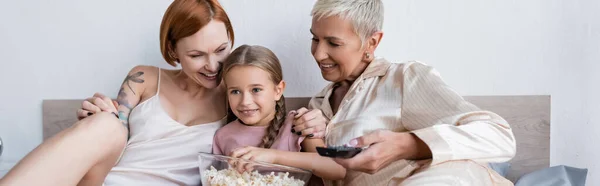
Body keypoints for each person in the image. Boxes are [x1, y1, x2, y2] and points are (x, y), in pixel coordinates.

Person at [0, 1, 323, 185]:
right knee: (104, 124)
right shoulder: (143, 78)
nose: (213, 66)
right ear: (172, 51)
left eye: (221, 50)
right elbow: (113, 131)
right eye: (196, 55)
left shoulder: (238, 96)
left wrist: (313, 118)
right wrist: (94, 115)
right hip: (103, 181)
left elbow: (272, 119)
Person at [292, 0, 517, 185]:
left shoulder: (403, 79)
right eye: (315, 39)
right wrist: (308, 134)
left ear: (371, 42)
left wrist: (406, 145)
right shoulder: (318, 106)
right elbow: (329, 168)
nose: (319, 54)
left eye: (333, 43)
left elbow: (499, 137)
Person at [211, 45, 345, 184]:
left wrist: (273, 157)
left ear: (278, 90)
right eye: (235, 91)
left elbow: (337, 168)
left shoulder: (298, 125)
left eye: (256, 89)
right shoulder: (223, 136)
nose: (245, 101)